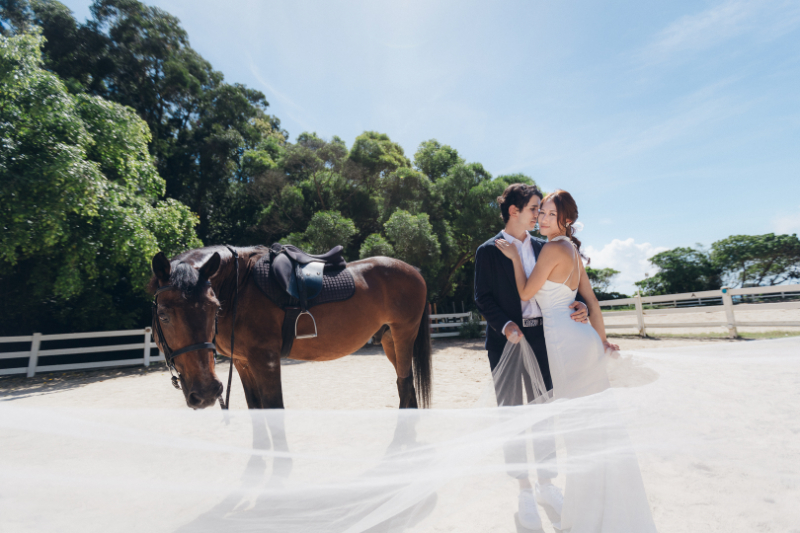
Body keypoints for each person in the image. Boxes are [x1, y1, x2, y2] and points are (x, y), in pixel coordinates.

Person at [495, 189, 657, 532]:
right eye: (541, 213)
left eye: (550, 215)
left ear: (566, 221)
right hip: (581, 340)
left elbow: (526, 293)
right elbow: (592, 303)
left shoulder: (553, 247)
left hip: (565, 344)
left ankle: (591, 515)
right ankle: (604, 508)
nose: (542, 219)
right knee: (598, 428)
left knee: (581, 433)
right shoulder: (572, 250)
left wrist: (512, 259)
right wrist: (601, 341)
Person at [474, 183, 589, 530]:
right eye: (535, 208)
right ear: (514, 211)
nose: (540, 214)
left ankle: (546, 484)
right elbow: (482, 298)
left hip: (544, 339)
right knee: (511, 415)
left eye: (541, 209)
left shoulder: (545, 246)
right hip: (506, 342)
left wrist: (579, 305)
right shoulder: (488, 250)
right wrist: (506, 325)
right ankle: (524, 490)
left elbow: (565, 286)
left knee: (544, 413)